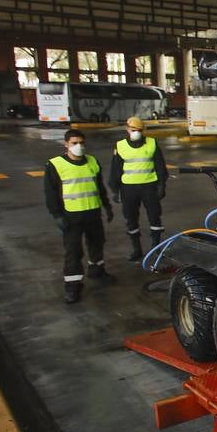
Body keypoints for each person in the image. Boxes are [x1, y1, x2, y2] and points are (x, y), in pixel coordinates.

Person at [44, 129, 114, 304]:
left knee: (97, 244)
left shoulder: (92, 161)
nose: (79, 146)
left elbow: (99, 187)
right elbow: (50, 193)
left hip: (93, 213)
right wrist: (57, 215)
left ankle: (97, 271)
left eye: (82, 143)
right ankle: (72, 286)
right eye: (74, 143)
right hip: (71, 217)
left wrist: (107, 207)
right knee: (74, 252)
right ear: (66, 144)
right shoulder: (55, 165)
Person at [109, 116, 168, 262]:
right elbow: (115, 169)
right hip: (128, 189)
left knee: (155, 217)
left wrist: (161, 186)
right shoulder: (120, 146)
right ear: (127, 129)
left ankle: (156, 247)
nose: (136, 132)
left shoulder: (152, 144)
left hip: (150, 187)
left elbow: (160, 167)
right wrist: (115, 190)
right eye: (133, 130)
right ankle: (136, 249)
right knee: (131, 219)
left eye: (139, 130)